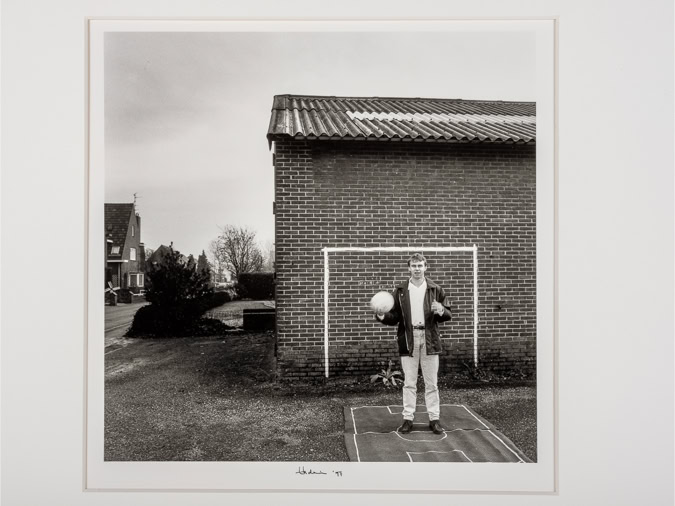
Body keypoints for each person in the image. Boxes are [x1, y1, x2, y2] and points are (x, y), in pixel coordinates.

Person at [375, 253, 452, 434]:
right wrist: (382, 315)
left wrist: (441, 310)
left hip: (429, 338)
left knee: (432, 383)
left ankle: (434, 419)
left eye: (420, 265)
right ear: (409, 268)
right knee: (409, 383)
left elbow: (448, 314)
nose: (417, 269)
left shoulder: (436, 289)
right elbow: (394, 317)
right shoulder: (400, 290)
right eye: (414, 266)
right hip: (409, 339)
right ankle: (408, 419)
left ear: (426, 267)